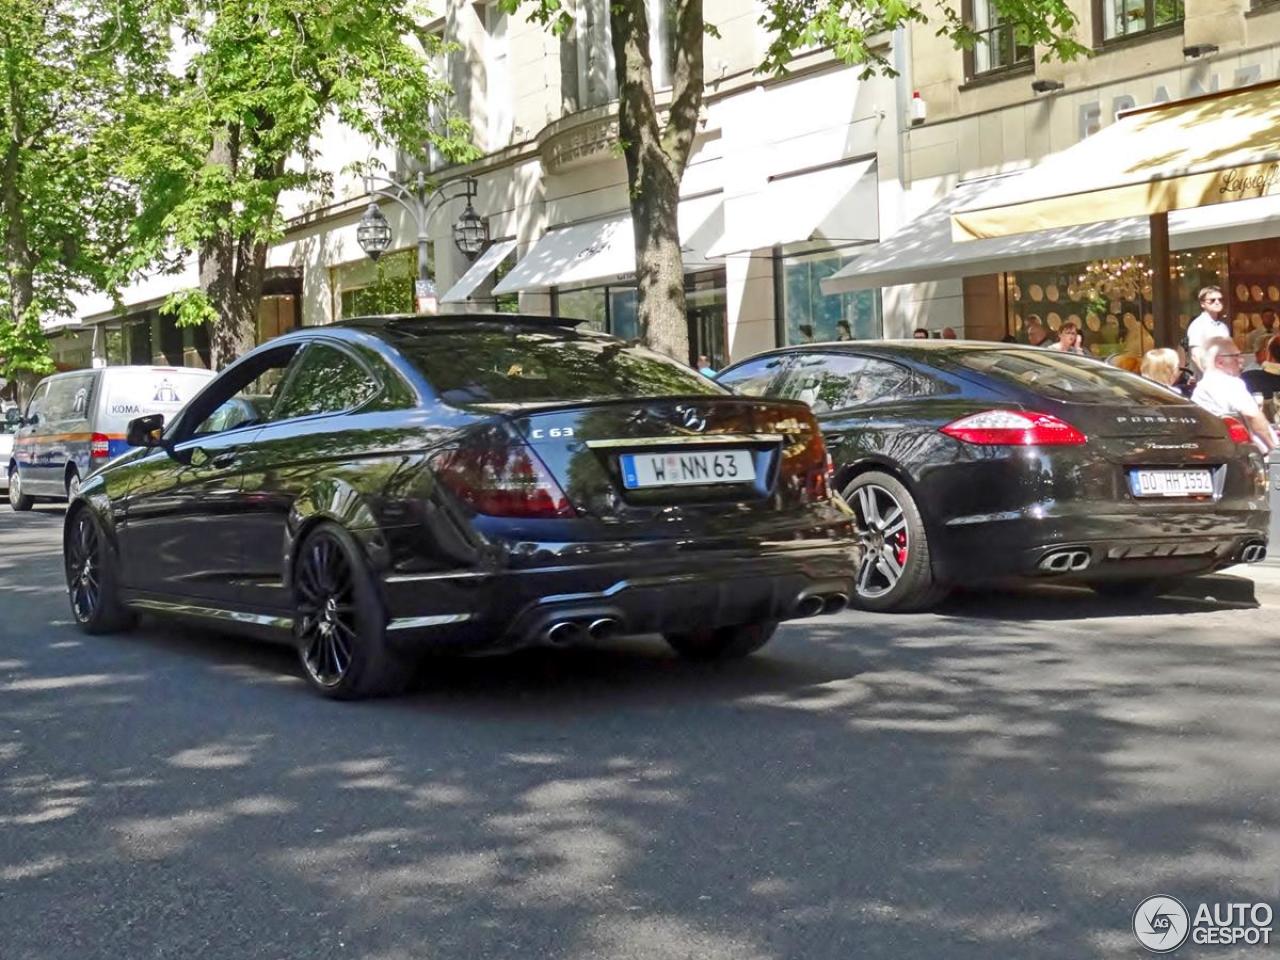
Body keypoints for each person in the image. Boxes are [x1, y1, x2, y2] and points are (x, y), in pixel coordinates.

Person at [1191, 336, 1275, 452]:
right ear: (1219, 361)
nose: (1241, 360)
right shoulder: (1228, 383)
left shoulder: (1201, 388)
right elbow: (1252, 415)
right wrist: (1273, 448)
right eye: (1236, 356)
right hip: (1245, 456)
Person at [1186, 286, 1230, 372]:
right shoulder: (1198, 325)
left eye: (1220, 299)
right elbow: (1196, 355)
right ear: (1202, 304)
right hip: (1207, 377)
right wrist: (1209, 375)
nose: (1217, 302)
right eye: (1212, 300)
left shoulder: (1223, 326)